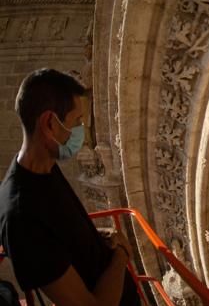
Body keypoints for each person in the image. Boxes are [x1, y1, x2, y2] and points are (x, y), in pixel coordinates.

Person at [0, 68, 140, 306]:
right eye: (77, 122)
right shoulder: (21, 216)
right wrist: (121, 256)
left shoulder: (43, 167)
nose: (82, 134)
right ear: (49, 124)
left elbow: (60, 238)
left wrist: (97, 238)